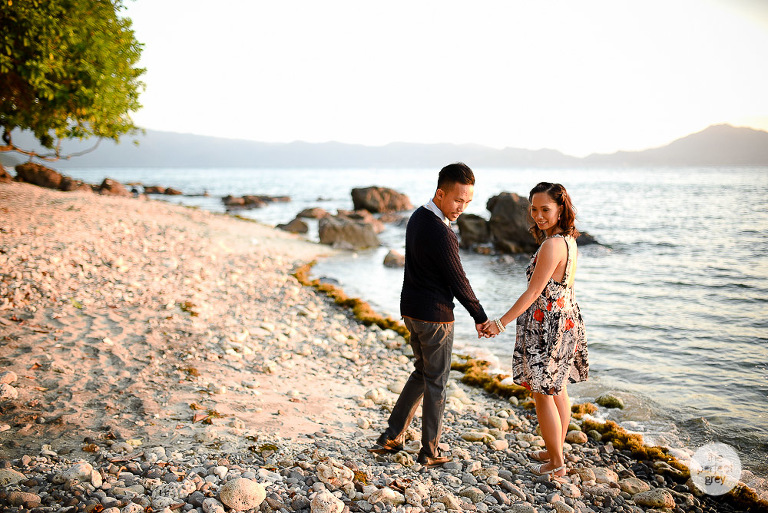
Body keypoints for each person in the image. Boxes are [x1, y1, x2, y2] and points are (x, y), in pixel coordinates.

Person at [369, 162, 491, 467]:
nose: (462, 208)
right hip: (435, 317)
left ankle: (391, 437)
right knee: (436, 382)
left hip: (412, 311)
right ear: (440, 193)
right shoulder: (441, 232)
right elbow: (458, 279)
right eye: (457, 200)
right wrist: (480, 316)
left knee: (422, 374)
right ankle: (430, 451)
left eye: (468, 202)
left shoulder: (417, 217)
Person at [483, 182, 588, 477]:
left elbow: (532, 294)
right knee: (558, 389)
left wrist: (500, 322)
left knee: (543, 393)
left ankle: (556, 463)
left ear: (560, 209)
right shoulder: (569, 241)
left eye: (545, 209)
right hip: (566, 321)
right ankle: (556, 449)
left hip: (547, 327)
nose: (538, 215)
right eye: (534, 209)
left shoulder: (551, 245)